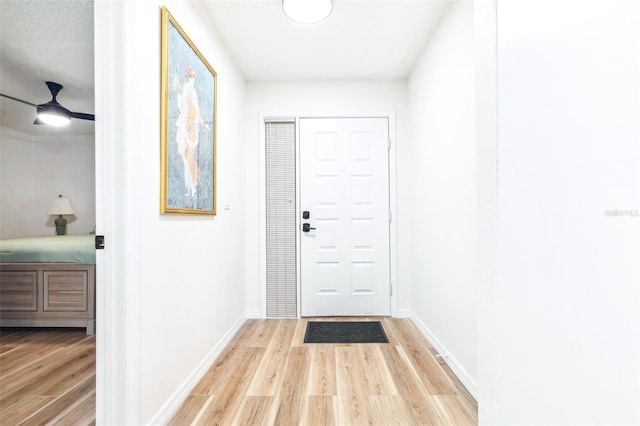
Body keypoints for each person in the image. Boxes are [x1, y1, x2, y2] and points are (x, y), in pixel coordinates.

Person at [173, 66, 202, 199]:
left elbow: (194, 109)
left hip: (190, 129)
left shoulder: (191, 91)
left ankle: (192, 187)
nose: (192, 78)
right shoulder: (187, 89)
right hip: (187, 128)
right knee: (185, 157)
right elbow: (186, 105)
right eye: (191, 76)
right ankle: (190, 187)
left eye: (193, 76)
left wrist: (200, 122)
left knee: (188, 158)